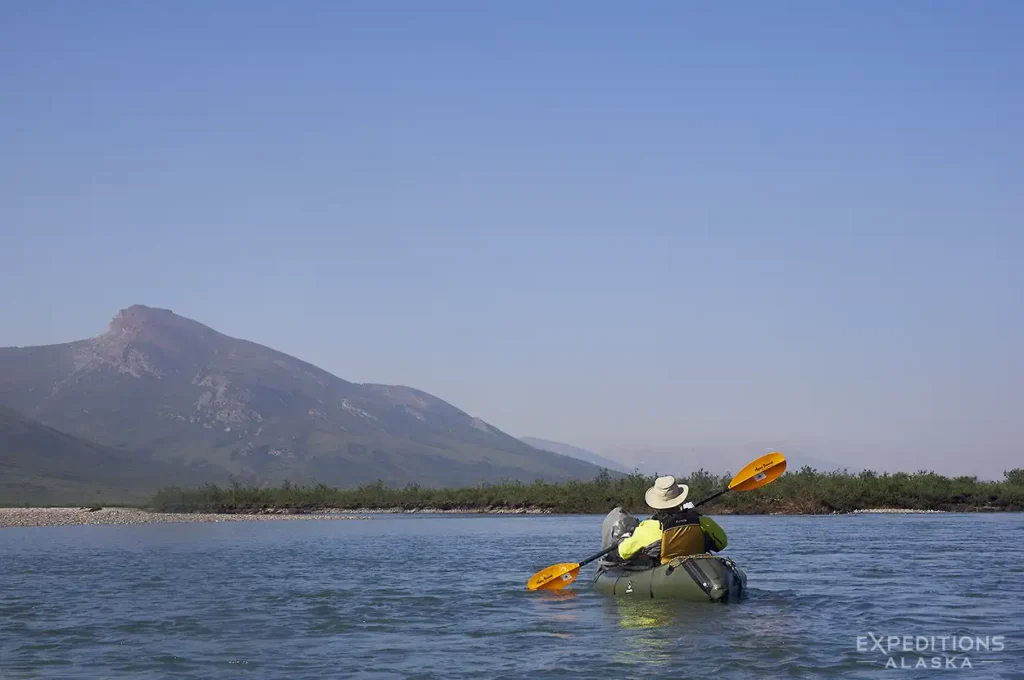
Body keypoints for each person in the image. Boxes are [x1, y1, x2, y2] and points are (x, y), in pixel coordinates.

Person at [609, 475, 728, 566]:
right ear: (680, 500)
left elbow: (624, 553)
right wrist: (694, 514)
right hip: (698, 567)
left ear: (655, 505)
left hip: (666, 571)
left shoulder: (648, 527)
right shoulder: (702, 521)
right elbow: (722, 543)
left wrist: (625, 537)